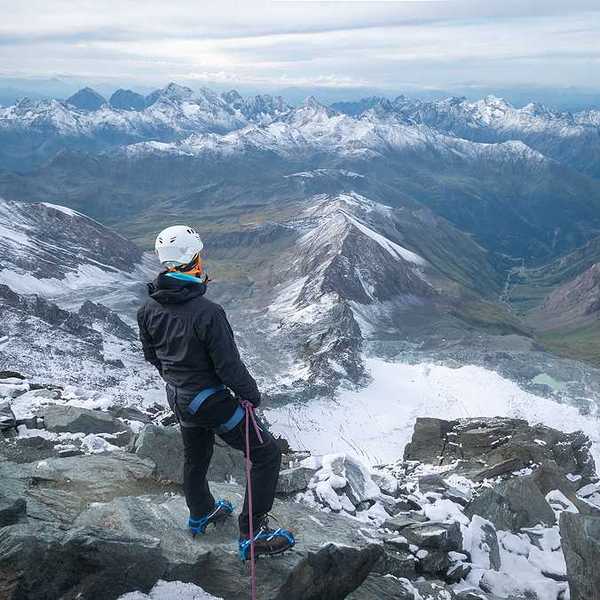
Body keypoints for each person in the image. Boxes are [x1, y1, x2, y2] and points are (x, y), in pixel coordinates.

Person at [137, 225, 295, 560]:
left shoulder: (147, 308)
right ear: (193, 259)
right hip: (210, 400)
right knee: (266, 454)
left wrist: (179, 380)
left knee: (196, 456)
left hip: (179, 397)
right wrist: (252, 396)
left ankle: (201, 512)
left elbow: (152, 356)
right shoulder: (208, 313)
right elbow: (229, 368)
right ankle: (252, 533)